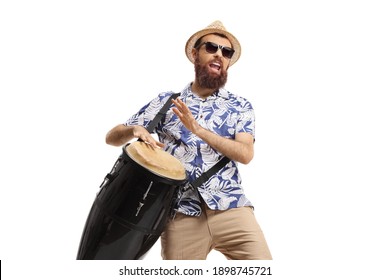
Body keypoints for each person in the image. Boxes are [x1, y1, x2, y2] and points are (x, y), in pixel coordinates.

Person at [105, 20, 272, 260]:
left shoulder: (240, 106)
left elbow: (246, 154)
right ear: (195, 54)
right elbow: (111, 137)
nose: (219, 55)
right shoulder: (167, 102)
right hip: (180, 215)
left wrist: (198, 129)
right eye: (211, 47)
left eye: (226, 52)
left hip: (232, 208)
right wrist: (134, 130)